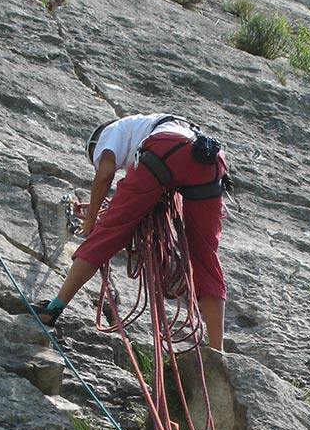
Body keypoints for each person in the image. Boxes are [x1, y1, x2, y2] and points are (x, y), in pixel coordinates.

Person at [31, 113, 229, 350]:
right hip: (209, 161)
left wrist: (91, 219)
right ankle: (217, 351)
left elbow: (105, 175)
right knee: (206, 256)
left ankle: (53, 309)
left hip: (163, 153)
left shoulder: (110, 132)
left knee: (107, 234)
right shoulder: (154, 124)